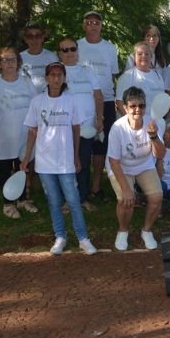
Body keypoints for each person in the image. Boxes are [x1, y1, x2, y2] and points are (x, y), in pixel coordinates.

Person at [21, 62, 97, 255]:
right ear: (46, 78)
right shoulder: (37, 101)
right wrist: (26, 156)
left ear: (64, 78)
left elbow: (76, 129)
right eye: (52, 75)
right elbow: (32, 131)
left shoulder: (71, 100)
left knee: (73, 200)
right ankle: (60, 237)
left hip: (66, 161)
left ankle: (83, 238)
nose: (56, 78)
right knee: (54, 201)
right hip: (44, 162)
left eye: (59, 75)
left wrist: (76, 156)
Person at [0, 47, 39, 219]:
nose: (9, 63)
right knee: (6, 169)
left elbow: (37, 107)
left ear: (18, 62)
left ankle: (22, 199)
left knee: (23, 167)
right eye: (5, 60)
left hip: (25, 136)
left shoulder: (27, 82)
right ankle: (8, 203)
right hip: (5, 137)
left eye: (12, 59)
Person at [108, 87, 166, 251]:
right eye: (133, 106)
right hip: (121, 166)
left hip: (144, 164)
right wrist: (126, 189)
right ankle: (123, 231)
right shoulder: (117, 128)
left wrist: (154, 136)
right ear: (125, 108)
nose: (137, 110)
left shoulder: (152, 123)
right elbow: (113, 161)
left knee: (157, 197)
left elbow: (160, 153)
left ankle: (146, 231)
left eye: (141, 105)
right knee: (126, 200)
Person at [77, 11, 119, 201]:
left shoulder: (110, 48)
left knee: (101, 145)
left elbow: (111, 75)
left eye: (97, 22)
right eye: (89, 22)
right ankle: (79, 185)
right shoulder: (77, 46)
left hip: (107, 101)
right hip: (83, 102)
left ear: (101, 26)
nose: (93, 26)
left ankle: (96, 186)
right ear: (84, 25)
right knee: (82, 144)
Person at [58, 36, 103, 211]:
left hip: (87, 127)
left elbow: (98, 96)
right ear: (59, 53)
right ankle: (67, 200)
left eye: (72, 49)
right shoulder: (57, 71)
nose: (70, 53)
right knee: (66, 163)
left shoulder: (88, 70)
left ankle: (83, 197)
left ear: (77, 51)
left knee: (84, 162)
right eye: (65, 50)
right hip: (65, 127)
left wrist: (100, 119)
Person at [115, 42, 170, 116]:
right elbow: (119, 102)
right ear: (134, 57)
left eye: (147, 54)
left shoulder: (158, 76)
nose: (144, 56)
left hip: (155, 123)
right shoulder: (127, 76)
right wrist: (131, 122)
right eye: (140, 54)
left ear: (151, 57)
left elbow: (162, 100)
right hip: (135, 124)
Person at [20, 24, 58, 92]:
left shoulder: (52, 57)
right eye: (30, 36)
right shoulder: (19, 58)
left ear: (43, 38)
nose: (34, 39)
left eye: (38, 36)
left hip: (48, 97)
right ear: (25, 39)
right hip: (26, 97)